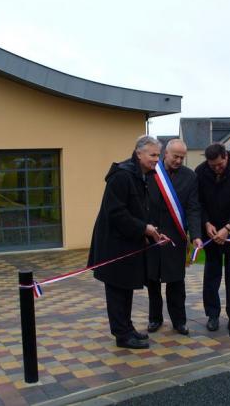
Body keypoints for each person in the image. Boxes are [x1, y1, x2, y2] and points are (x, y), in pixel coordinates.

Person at [88, 135, 167, 349]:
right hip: (113, 247)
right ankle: (122, 335)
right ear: (138, 153)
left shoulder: (140, 175)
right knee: (116, 290)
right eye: (152, 155)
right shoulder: (122, 176)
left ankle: (127, 327)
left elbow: (139, 210)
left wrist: (152, 231)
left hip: (128, 244)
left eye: (158, 155)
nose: (156, 160)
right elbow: (116, 213)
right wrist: (144, 228)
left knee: (126, 288)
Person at [146, 139, 203, 335]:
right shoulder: (151, 173)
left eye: (182, 157)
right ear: (166, 154)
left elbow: (193, 208)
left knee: (176, 282)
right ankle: (155, 318)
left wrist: (195, 235)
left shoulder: (190, 177)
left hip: (176, 238)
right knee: (152, 280)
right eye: (175, 156)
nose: (178, 160)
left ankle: (179, 321)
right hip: (152, 237)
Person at [195, 143, 230, 333]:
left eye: (219, 165)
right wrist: (206, 223)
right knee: (211, 275)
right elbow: (198, 203)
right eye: (212, 166)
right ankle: (212, 314)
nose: (216, 169)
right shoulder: (200, 172)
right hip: (211, 234)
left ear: (226, 156)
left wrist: (228, 227)